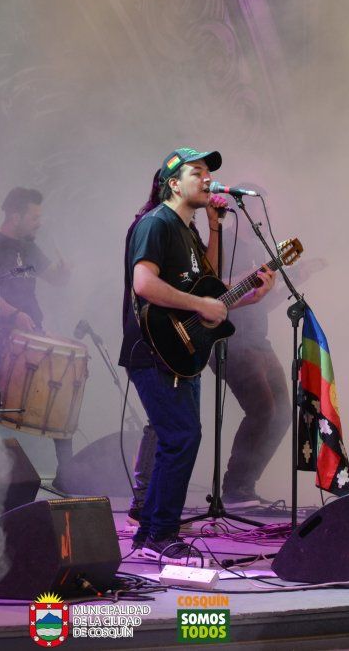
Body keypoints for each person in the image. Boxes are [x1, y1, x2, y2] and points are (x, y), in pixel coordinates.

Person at [118, 147, 275, 564]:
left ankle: (150, 533)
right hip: (154, 348)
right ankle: (161, 534)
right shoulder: (156, 223)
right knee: (181, 437)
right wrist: (201, 305)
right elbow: (144, 284)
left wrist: (217, 231)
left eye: (209, 172)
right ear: (173, 183)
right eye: (197, 172)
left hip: (181, 349)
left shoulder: (186, 228)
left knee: (180, 438)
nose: (208, 178)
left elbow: (207, 286)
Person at [0, 187, 71, 474]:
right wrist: (15, 315)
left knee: (57, 397)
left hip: (31, 337)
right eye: (34, 217)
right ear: (15, 216)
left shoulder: (30, 247)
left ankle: (68, 474)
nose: (39, 222)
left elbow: (55, 279)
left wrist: (64, 273)